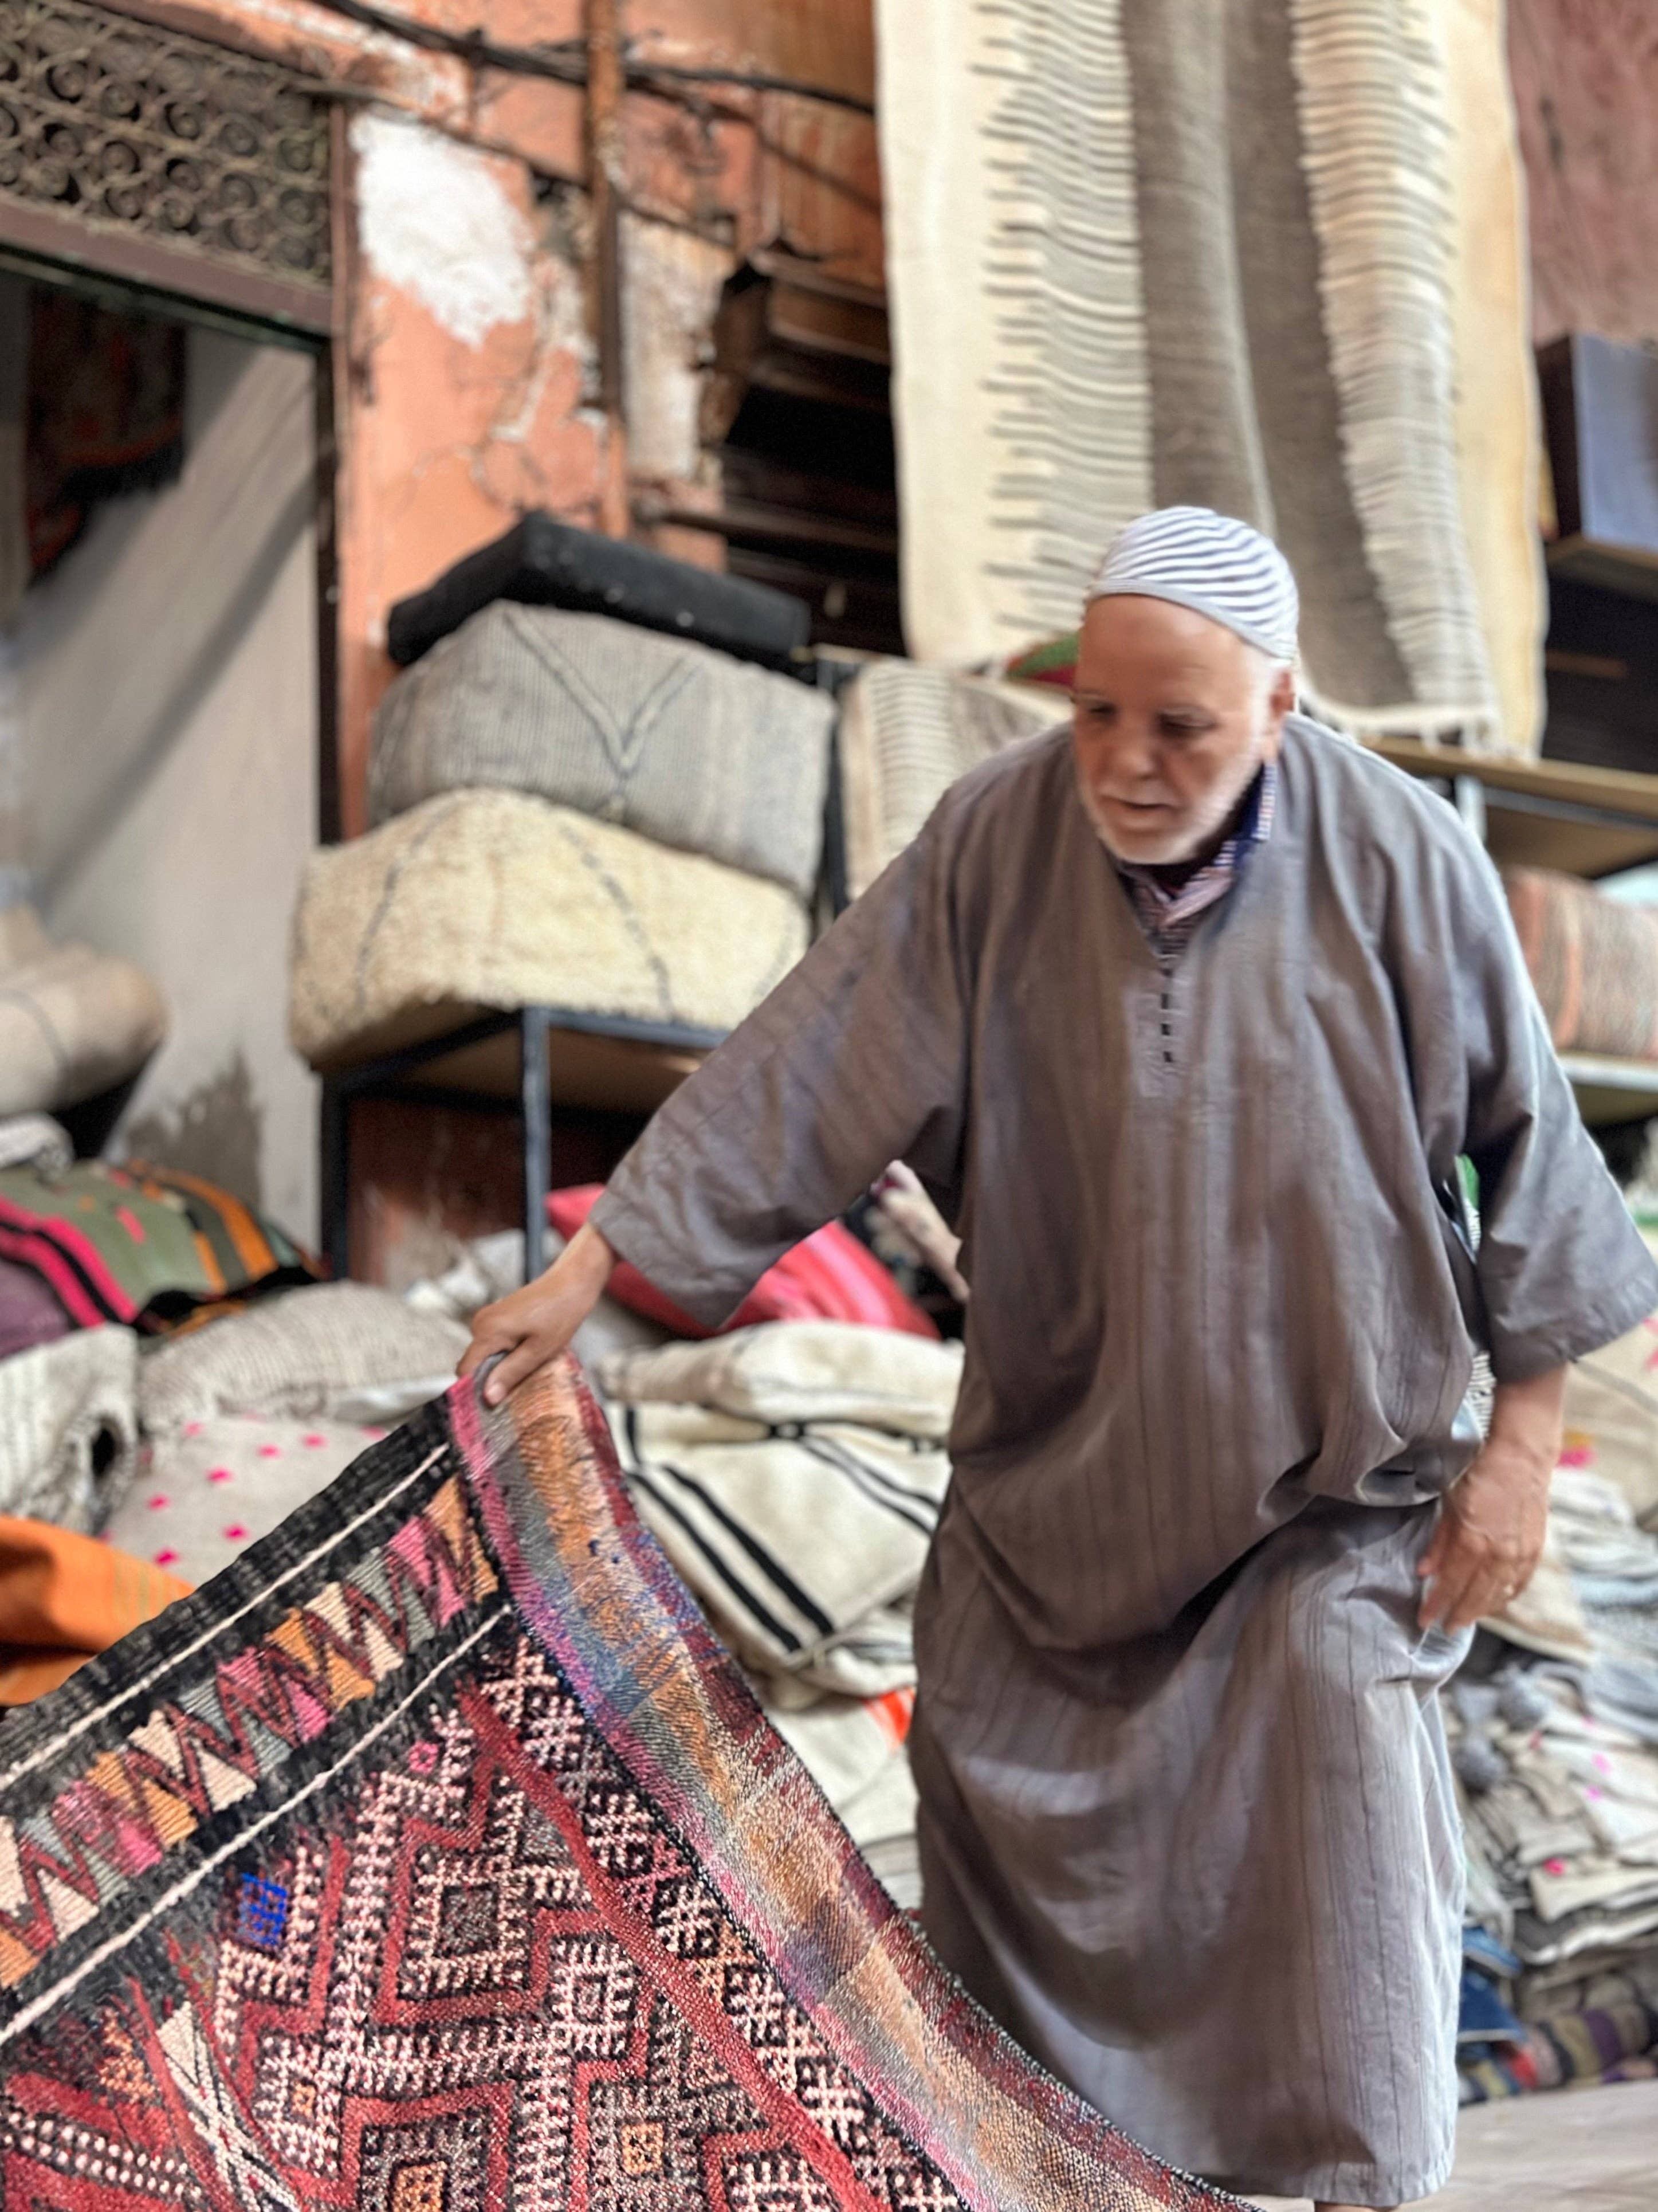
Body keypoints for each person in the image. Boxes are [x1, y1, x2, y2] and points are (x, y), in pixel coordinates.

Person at [461, 507, 1658, 2211]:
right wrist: (588, 1268)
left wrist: (1517, 1455)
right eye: (1100, 712)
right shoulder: (991, 843)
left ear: (1285, 702)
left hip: (1327, 1504)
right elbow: (808, 1063)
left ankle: (1362, 2190)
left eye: (1185, 725)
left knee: (1340, 1807)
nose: (1132, 761)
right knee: (984, 1769)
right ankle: (1053, 2175)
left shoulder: (1403, 857)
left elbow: (1534, 1151)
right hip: (1062, 1491)